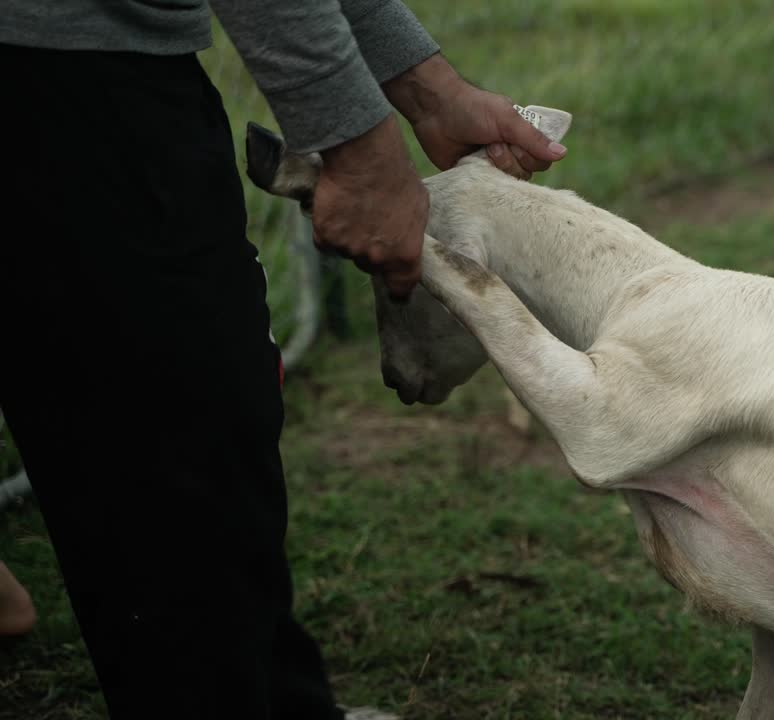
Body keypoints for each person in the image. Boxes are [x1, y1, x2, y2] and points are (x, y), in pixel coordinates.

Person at [0, 1, 565, 718]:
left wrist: (430, 89)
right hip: (61, 76)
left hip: (77, 57)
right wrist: (359, 151)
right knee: (174, 430)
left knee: (180, 409)